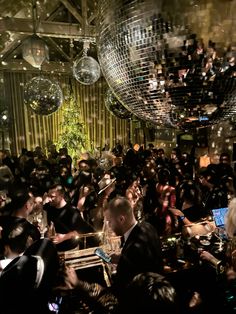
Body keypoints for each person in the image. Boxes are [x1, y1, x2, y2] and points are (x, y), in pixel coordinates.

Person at [44, 184, 100, 251]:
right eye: (48, 196)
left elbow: (81, 231)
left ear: (61, 195)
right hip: (55, 250)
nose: (49, 199)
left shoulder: (72, 212)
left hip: (70, 251)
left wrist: (63, 237)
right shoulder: (49, 209)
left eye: (52, 196)